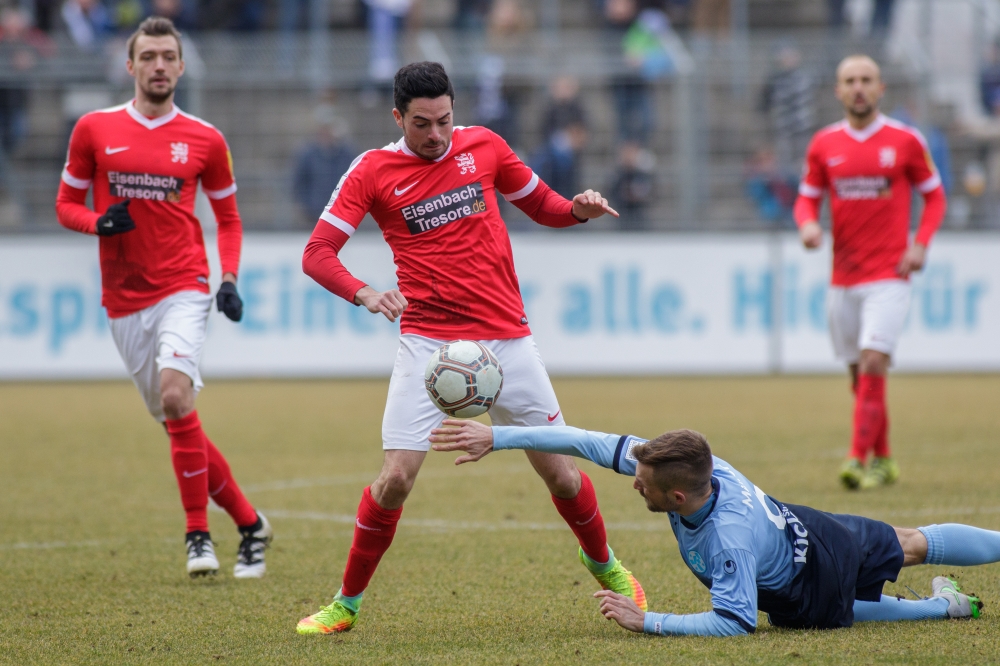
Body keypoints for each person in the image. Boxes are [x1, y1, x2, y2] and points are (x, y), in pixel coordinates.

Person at [297, 61, 642, 635]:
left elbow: (545, 207)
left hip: (507, 338)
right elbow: (317, 252)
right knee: (396, 479)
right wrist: (364, 293)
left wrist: (578, 210)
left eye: (444, 121)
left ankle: (605, 564)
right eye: (421, 124)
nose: (435, 135)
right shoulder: (372, 170)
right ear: (397, 117)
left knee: (560, 474)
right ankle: (346, 604)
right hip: (429, 344)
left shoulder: (483, 146)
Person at [55, 16, 272, 579]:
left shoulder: (205, 138)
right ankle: (251, 524)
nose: (157, 65)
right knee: (178, 418)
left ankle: (197, 536)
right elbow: (66, 205)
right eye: (147, 56)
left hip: (185, 285)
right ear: (130, 66)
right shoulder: (94, 130)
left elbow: (227, 217)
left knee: (176, 397)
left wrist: (228, 278)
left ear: (180, 65)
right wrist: (99, 224)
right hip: (124, 299)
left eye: (167, 57)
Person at [431, 420, 994, 635]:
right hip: (798, 526)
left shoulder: (726, 541)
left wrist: (646, 620)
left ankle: (939, 608)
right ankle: (947, 605)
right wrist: (497, 437)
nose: (634, 483)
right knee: (909, 543)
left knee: (886, 564)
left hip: (800, 585)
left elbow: (736, 623)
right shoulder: (697, 468)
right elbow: (583, 441)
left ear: (677, 497)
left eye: (643, 484)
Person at [793, 55, 946, 490]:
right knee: (861, 375)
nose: (858, 87)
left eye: (866, 80)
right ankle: (885, 458)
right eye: (849, 81)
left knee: (875, 360)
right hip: (844, 278)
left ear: (881, 89)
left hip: (889, 275)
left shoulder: (905, 140)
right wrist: (807, 225)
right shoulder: (824, 143)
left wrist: (919, 245)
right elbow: (807, 199)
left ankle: (857, 460)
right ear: (838, 91)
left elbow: (935, 199)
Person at [292, 108, 358, 224]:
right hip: (314, 213)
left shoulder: (346, 153)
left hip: (342, 213)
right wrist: (307, 205)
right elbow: (298, 182)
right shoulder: (307, 154)